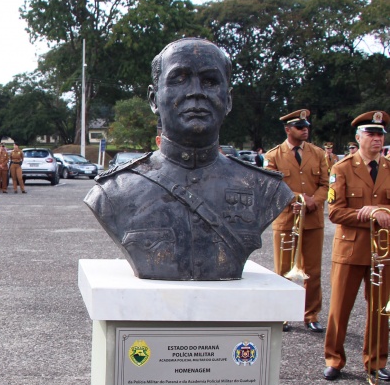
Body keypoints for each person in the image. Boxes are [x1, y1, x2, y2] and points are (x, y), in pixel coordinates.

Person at [84, 37, 292, 281]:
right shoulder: (114, 192)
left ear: (228, 100)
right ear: (153, 99)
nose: (196, 92)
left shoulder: (265, 189)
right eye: (179, 79)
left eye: (210, 81)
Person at [323, 110, 390, 381]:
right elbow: (335, 212)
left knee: (380, 310)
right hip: (350, 250)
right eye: (371, 134)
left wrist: (380, 209)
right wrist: (371, 214)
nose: (377, 139)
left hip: (382, 251)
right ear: (358, 137)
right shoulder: (341, 168)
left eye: (380, 134)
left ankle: (376, 361)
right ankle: (334, 359)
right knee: (340, 308)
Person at [264, 109, 329, 333]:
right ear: (288, 129)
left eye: (306, 127)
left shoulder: (318, 153)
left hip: (312, 220)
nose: (305, 131)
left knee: (313, 271)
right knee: (283, 270)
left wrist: (312, 201)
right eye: (300, 127)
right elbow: (271, 185)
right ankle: (282, 314)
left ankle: (311, 314)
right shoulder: (274, 155)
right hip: (287, 219)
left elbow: (325, 184)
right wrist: (296, 198)